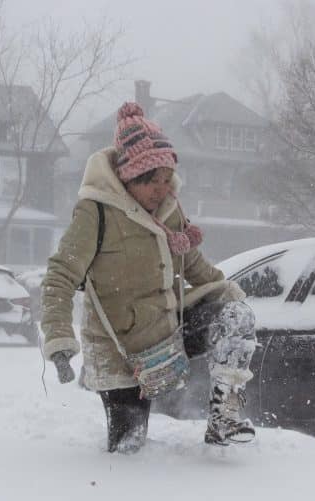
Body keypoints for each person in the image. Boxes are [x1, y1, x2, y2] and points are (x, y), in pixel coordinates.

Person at [40, 102, 259, 453]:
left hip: (169, 333)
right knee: (129, 449)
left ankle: (225, 417)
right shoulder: (95, 211)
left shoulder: (169, 212)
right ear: (129, 177)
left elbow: (196, 268)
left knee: (235, 315)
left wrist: (234, 297)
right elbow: (60, 276)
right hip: (120, 350)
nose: (162, 189)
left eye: (165, 178)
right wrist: (60, 339)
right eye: (151, 180)